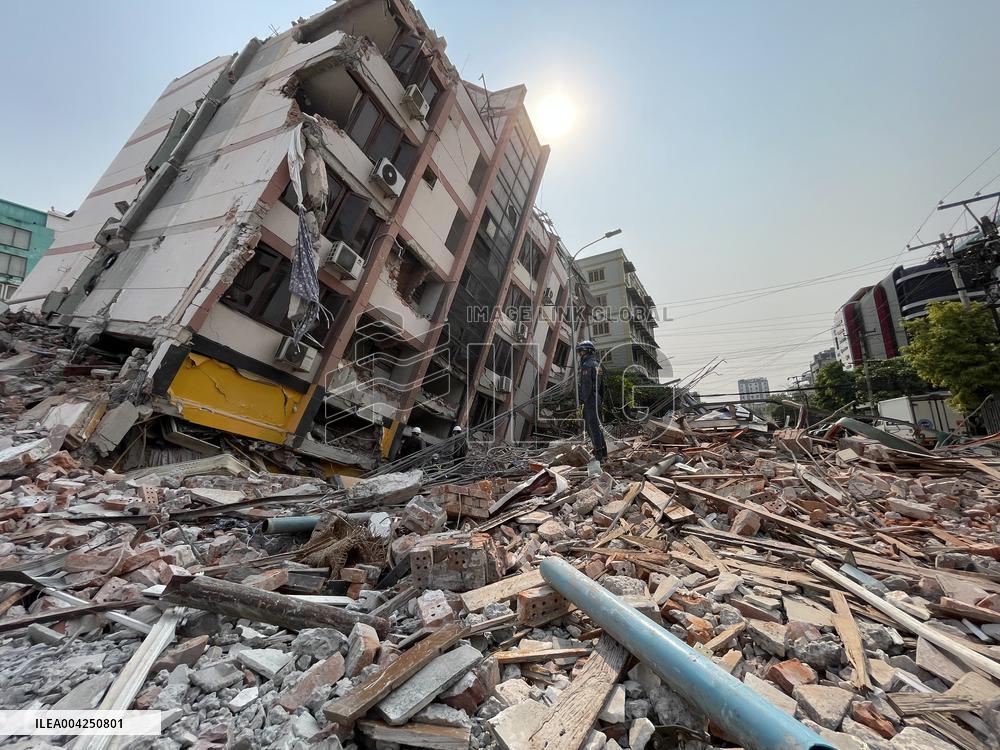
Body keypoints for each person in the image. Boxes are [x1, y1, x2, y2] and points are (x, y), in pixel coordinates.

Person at [576, 340, 607, 474]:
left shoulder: (587, 365)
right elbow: (602, 386)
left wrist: (583, 400)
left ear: (587, 351)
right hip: (597, 398)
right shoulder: (597, 365)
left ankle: (599, 455)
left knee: (592, 427)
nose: (580, 354)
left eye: (581, 351)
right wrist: (600, 399)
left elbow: (586, 385)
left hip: (590, 399)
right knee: (596, 426)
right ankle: (603, 452)